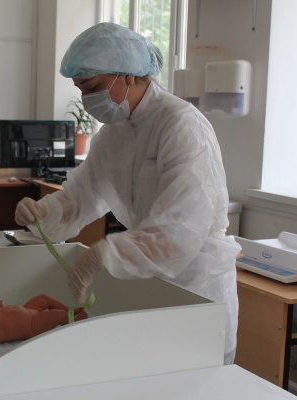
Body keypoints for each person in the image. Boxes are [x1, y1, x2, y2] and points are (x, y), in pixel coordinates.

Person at [15, 22, 241, 365]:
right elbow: (80, 197)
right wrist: (42, 213)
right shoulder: (112, 135)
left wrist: (102, 254)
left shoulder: (181, 125)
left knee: (193, 378)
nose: (86, 100)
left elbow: (180, 232)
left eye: (93, 87)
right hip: (149, 283)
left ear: (129, 75)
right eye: (80, 89)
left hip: (198, 286)